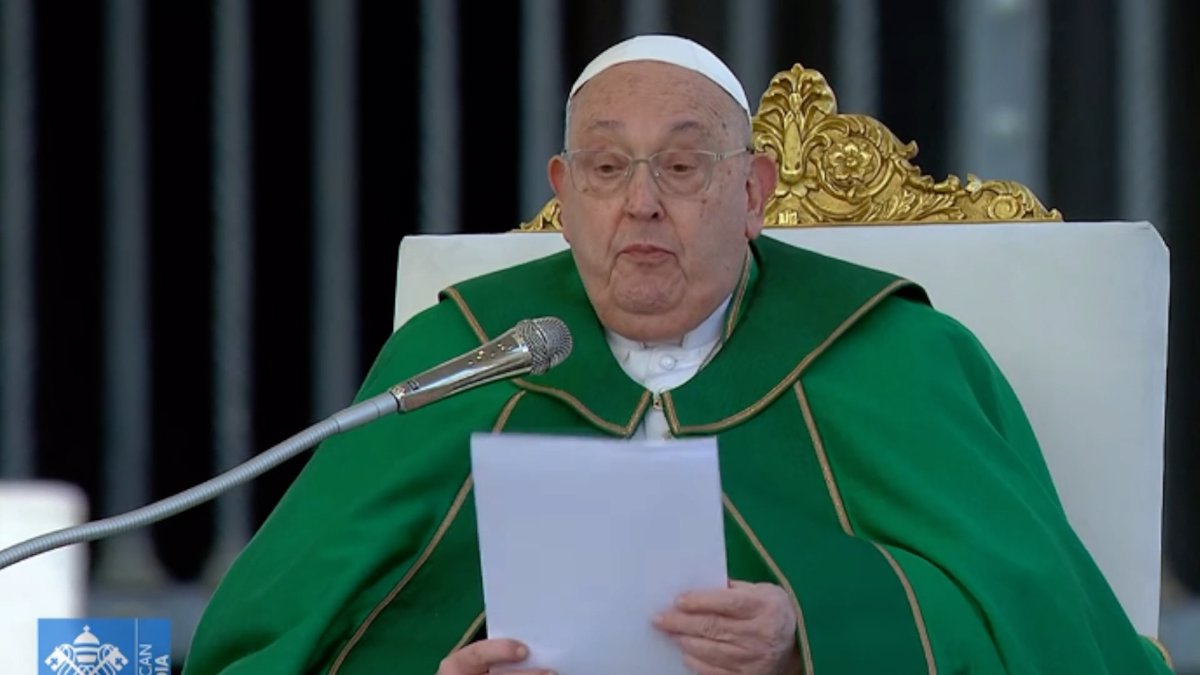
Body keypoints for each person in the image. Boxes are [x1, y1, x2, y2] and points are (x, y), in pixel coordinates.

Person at [183, 35, 1174, 675]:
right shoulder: (462, 355)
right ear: (565, 192)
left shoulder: (899, 357)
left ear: (753, 193)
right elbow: (278, 636)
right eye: (608, 167)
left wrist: (806, 631)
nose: (642, 203)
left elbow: (1043, 627)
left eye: (685, 164)